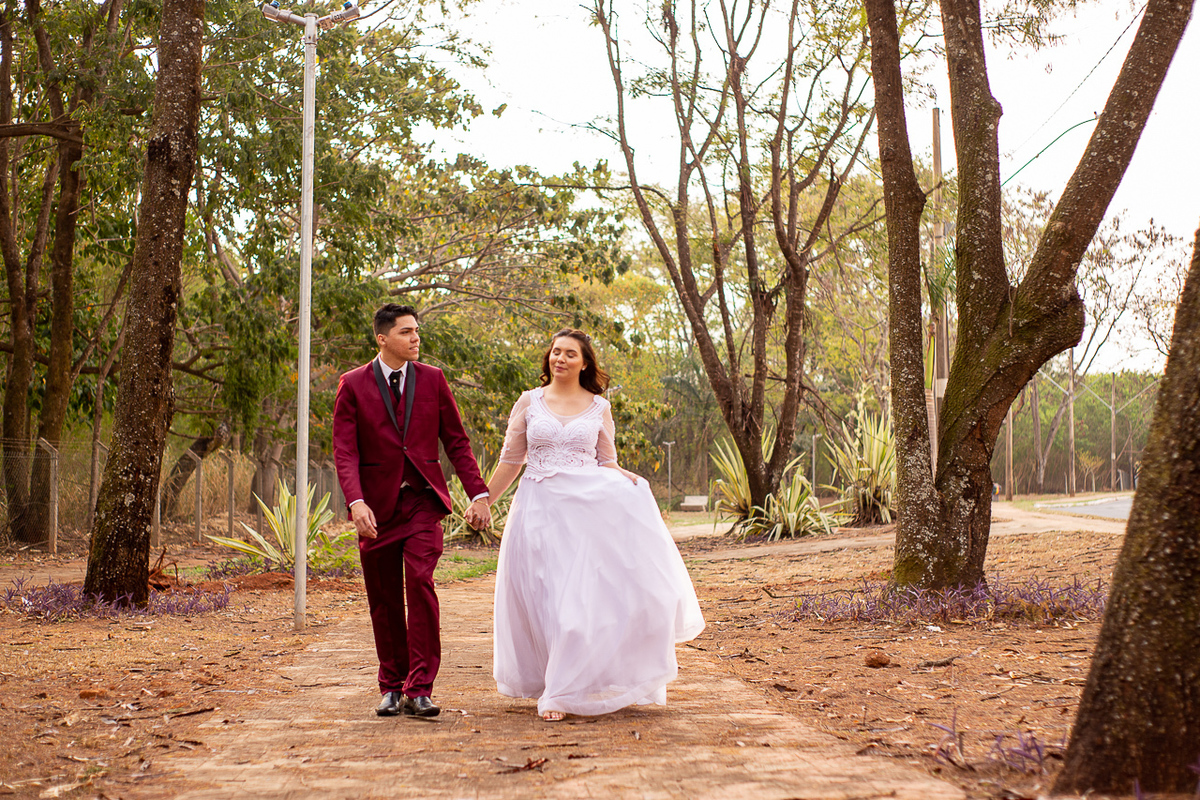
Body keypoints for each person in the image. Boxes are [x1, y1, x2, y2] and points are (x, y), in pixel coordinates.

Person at [484, 329, 705, 721]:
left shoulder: (599, 407)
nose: (561, 358)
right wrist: (483, 499)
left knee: (574, 604)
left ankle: (561, 692)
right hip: (537, 510)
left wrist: (629, 481)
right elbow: (511, 460)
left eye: (570, 353)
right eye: (556, 352)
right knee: (545, 599)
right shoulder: (529, 402)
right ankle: (554, 682)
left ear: (585, 362)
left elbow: (607, 461)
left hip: (585, 517)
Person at [333, 303, 491, 718]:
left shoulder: (433, 379)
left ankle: (419, 688)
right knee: (383, 597)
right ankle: (391, 685)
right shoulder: (353, 384)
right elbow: (345, 450)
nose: (415, 338)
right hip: (376, 508)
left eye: (416, 330)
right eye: (406, 332)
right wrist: (356, 502)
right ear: (382, 338)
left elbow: (456, 441)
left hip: (422, 501)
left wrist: (478, 494)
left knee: (420, 584)